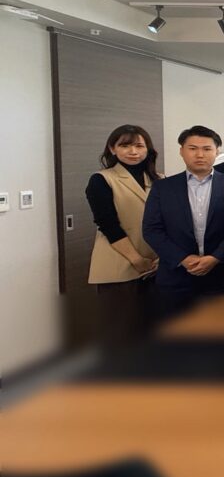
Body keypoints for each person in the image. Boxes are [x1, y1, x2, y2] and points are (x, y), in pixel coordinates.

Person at [142, 126, 224, 314]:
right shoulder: (162, 187)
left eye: (207, 149)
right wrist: (182, 258)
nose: (200, 154)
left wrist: (215, 258)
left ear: (217, 151)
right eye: (192, 148)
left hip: (220, 275)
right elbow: (152, 229)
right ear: (182, 151)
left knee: (219, 328)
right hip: (175, 276)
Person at [85, 124, 161, 342]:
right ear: (112, 148)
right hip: (120, 261)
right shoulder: (102, 179)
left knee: (152, 328)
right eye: (125, 145)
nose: (133, 151)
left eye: (139, 145)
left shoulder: (159, 179)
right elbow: (107, 224)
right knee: (121, 330)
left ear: (148, 149)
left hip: (155, 264)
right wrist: (137, 259)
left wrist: (162, 256)